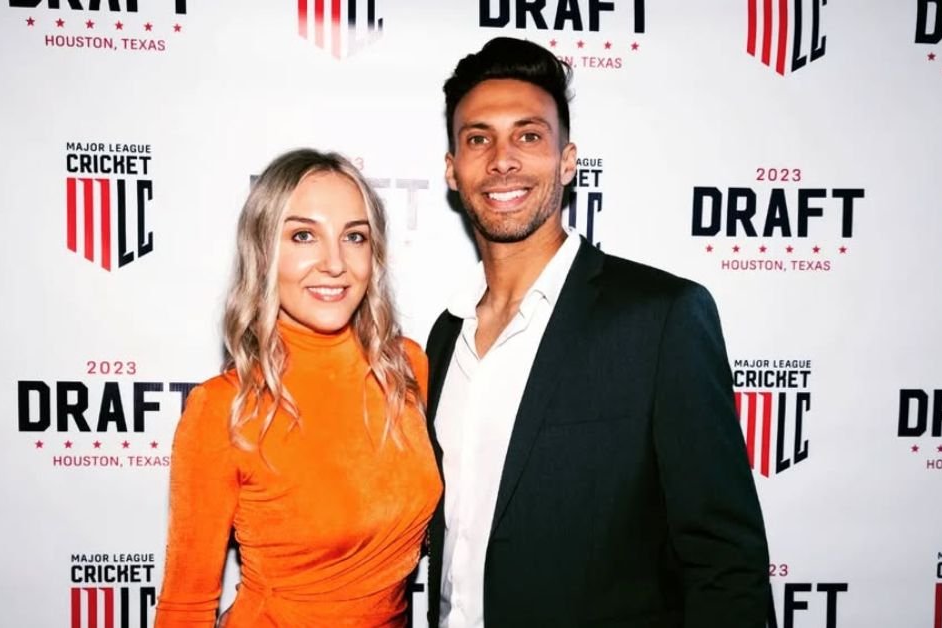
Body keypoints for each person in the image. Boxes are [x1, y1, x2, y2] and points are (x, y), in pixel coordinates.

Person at [424, 38, 774, 627]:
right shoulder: (445, 336)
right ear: (452, 171)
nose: (502, 160)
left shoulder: (660, 318)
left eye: (528, 136)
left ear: (567, 162)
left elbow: (725, 563)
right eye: (478, 139)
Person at [155, 149, 441, 627]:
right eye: (304, 236)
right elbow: (185, 606)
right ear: (263, 251)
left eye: (354, 237)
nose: (334, 263)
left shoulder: (406, 367)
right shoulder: (222, 408)